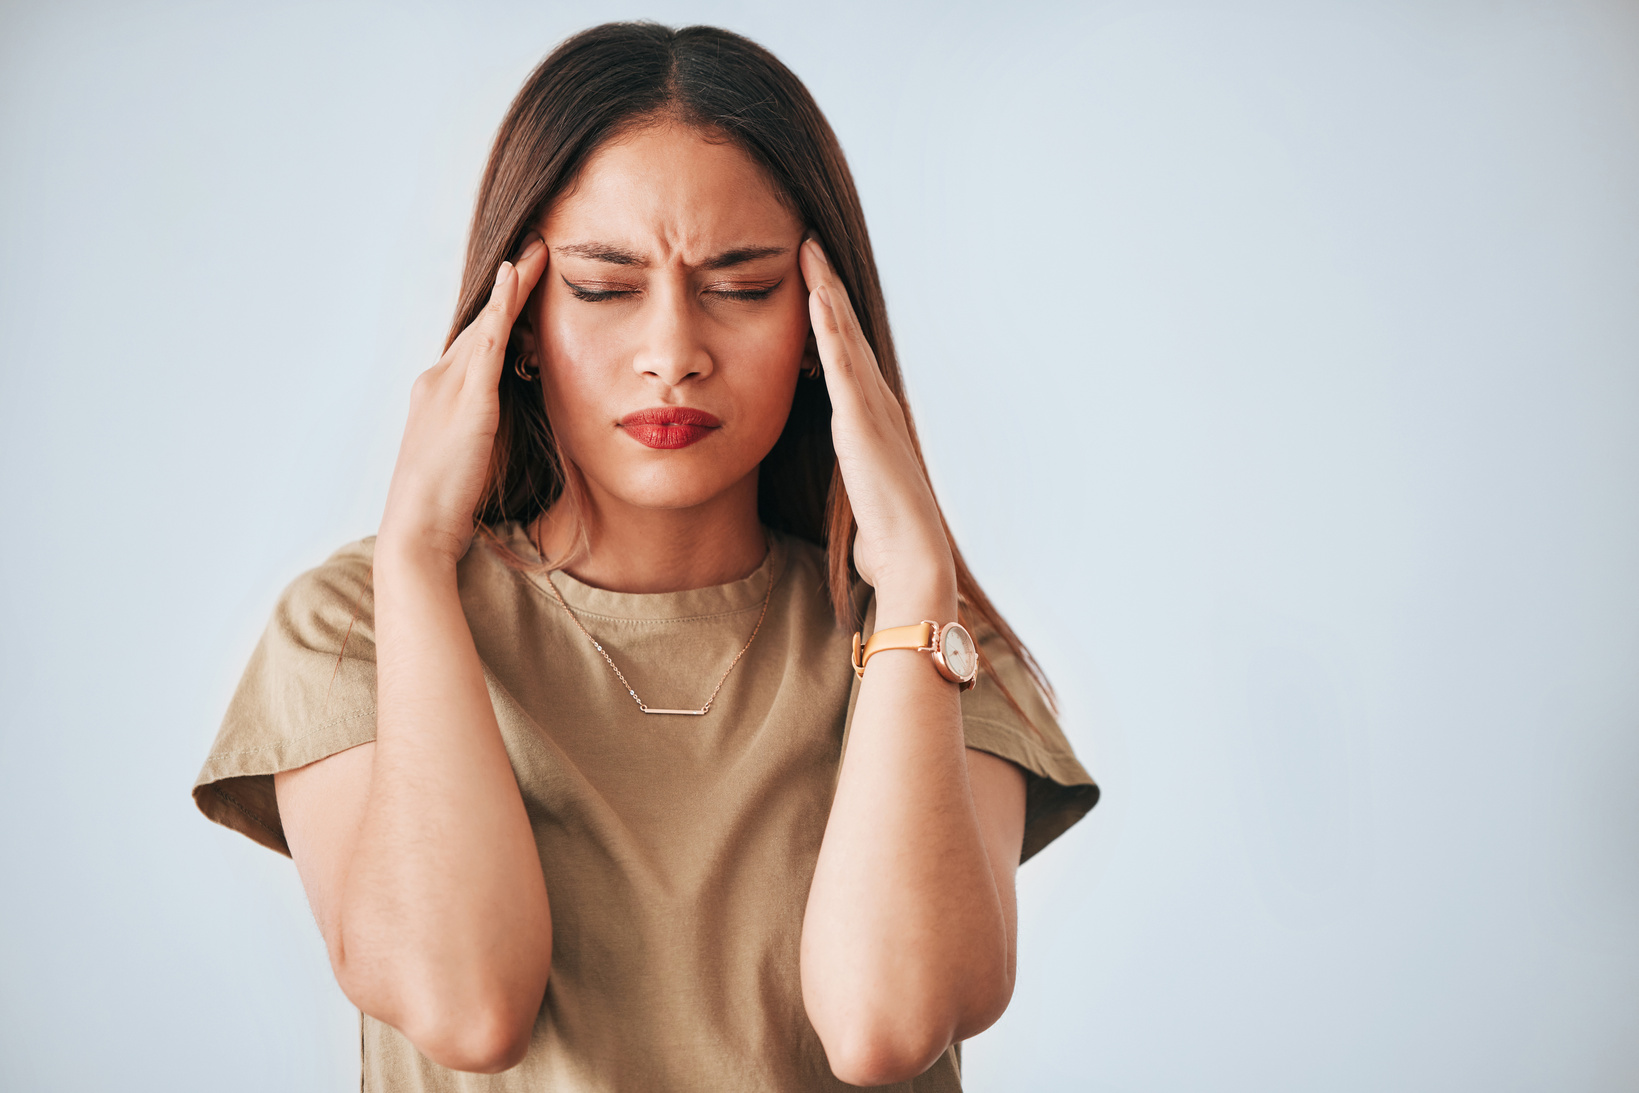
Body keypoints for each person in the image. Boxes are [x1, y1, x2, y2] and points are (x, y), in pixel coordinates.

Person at [192, 21, 1097, 1092]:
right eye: (606, 287)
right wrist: (415, 562)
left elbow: (883, 1028)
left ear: (819, 323)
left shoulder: (934, 639)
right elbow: (467, 1006)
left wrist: (909, 578)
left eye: (742, 285)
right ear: (516, 319)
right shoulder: (352, 627)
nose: (672, 352)